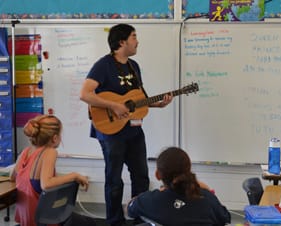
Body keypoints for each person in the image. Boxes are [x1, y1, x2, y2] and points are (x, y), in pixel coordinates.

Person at [79, 23, 172, 226]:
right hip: (110, 131)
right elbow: (85, 94)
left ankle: (141, 219)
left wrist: (159, 104)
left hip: (133, 130)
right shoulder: (103, 65)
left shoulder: (134, 66)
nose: (137, 41)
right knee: (114, 180)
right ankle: (114, 221)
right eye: (134, 37)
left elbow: (138, 100)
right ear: (122, 42)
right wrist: (113, 105)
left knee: (141, 177)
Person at [10, 114, 96, 226]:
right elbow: (46, 184)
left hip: (26, 219)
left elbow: (13, 177)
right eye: (61, 135)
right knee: (89, 223)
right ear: (55, 138)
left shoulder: (25, 151)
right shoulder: (49, 152)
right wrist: (74, 175)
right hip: (43, 219)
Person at [127, 146, 232, 226]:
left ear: (158, 175)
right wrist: (207, 190)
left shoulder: (149, 200)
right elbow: (225, 218)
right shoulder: (207, 199)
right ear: (189, 169)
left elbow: (130, 209)